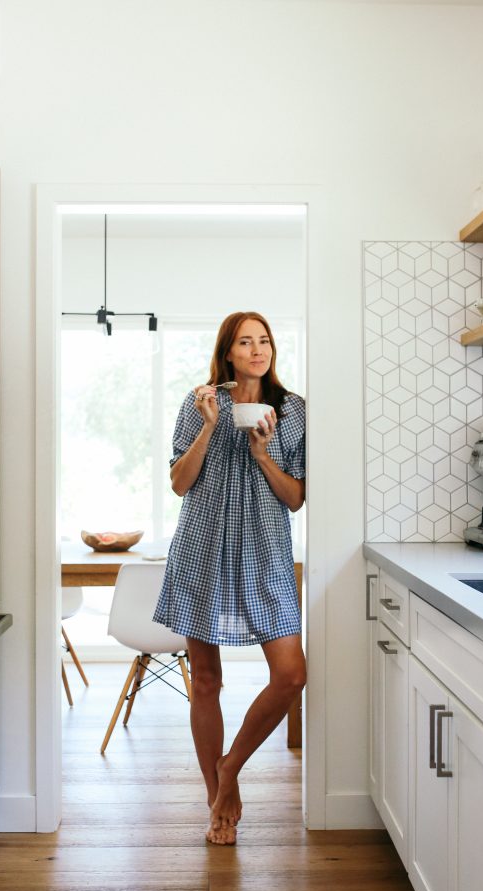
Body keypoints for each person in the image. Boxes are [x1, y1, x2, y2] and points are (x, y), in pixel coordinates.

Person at [154, 311, 306, 844]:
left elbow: (295, 498)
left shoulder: (295, 412)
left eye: (265, 340)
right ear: (228, 352)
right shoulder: (200, 404)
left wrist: (263, 455)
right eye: (246, 342)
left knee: (291, 675)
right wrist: (210, 427)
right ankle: (214, 800)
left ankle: (229, 769)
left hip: (265, 552)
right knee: (206, 680)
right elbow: (178, 483)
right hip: (203, 550)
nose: (258, 349)